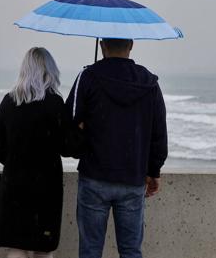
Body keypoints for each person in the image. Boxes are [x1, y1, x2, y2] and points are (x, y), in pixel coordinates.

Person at [66, 38, 168, 258]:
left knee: (90, 250)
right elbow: (159, 132)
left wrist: (80, 142)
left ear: (102, 45)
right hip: (133, 180)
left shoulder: (88, 77)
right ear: (131, 45)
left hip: (94, 177)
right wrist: (153, 171)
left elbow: (67, 126)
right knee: (131, 251)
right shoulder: (149, 83)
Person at [0, 47, 66, 258]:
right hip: (47, 187)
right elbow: (67, 147)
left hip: (15, 184)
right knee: (43, 247)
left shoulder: (9, 101)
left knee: (16, 245)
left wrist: (16, 162)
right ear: (50, 71)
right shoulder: (55, 103)